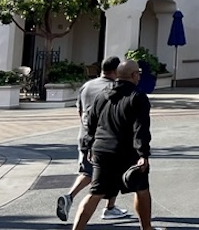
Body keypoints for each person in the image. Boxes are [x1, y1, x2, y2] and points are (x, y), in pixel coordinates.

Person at [70, 60, 161, 230]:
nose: (139, 76)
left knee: (95, 192)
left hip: (101, 149)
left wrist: (88, 147)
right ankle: (146, 228)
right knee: (141, 188)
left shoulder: (102, 95)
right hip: (126, 151)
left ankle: (77, 229)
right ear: (134, 75)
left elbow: (90, 123)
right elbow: (140, 128)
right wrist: (143, 154)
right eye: (138, 73)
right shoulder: (137, 96)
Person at [56, 56, 133, 223]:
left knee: (87, 171)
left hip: (84, 135)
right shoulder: (113, 88)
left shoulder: (87, 86)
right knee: (113, 173)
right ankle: (109, 208)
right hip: (106, 138)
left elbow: (80, 110)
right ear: (115, 71)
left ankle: (70, 196)